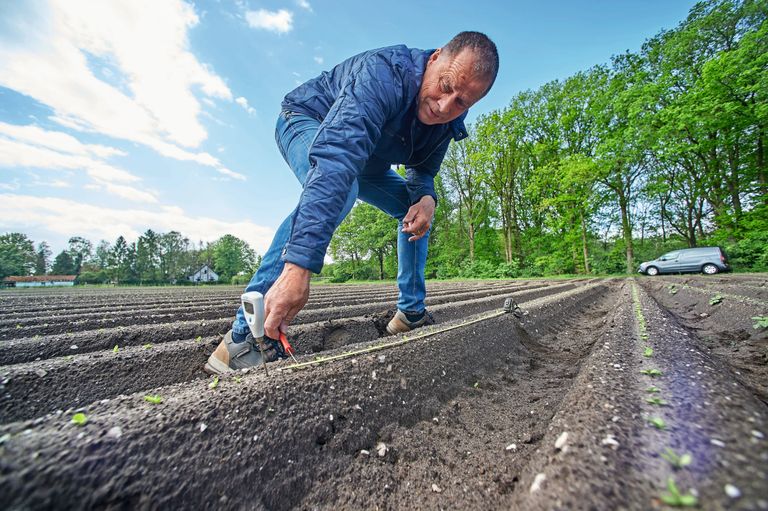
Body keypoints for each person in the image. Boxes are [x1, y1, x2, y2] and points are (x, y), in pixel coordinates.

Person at [205, 31, 499, 375]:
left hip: (367, 159)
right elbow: (338, 159)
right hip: (308, 121)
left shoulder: (449, 122)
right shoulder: (383, 74)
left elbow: (423, 169)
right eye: (446, 86)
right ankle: (242, 338)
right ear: (434, 59)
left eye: (463, 102)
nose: (445, 107)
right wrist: (298, 266)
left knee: (414, 208)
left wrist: (427, 198)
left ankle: (410, 313)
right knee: (341, 188)